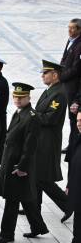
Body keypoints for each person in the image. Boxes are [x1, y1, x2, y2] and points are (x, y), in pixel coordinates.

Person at [0, 83, 47, 243]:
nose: (17, 100)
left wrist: (22, 167)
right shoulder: (19, 113)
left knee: (12, 199)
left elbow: (30, 145)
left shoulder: (32, 117)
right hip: (12, 162)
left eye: (21, 97)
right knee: (25, 197)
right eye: (15, 97)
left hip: (18, 166)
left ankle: (6, 234)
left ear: (28, 98)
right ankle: (39, 227)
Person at [32, 60, 71, 221]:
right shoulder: (50, 90)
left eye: (45, 73)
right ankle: (33, 207)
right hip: (41, 140)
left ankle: (68, 204)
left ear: (55, 75)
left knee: (43, 179)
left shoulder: (59, 93)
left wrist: (32, 115)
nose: (42, 75)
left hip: (48, 142)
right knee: (37, 176)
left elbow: (50, 118)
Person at [53, 111, 81, 243]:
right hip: (78, 194)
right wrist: (70, 184)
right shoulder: (77, 139)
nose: (79, 123)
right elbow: (74, 165)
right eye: (78, 120)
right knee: (78, 231)